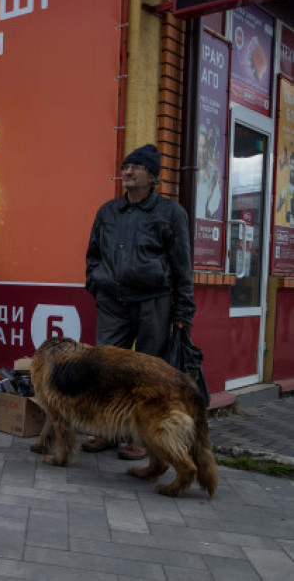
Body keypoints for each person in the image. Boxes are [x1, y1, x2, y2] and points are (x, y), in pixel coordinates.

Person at [83, 144, 196, 460]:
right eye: (125, 166)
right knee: (105, 369)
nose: (128, 171)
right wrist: (97, 282)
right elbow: (93, 254)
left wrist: (184, 310)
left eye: (136, 167)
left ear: (152, 176)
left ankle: (141, 438)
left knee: (148, 375)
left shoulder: (172, 213)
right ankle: (107, 431)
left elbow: (182, 266)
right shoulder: (107, 211)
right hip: (112, 302)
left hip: (153, 304)